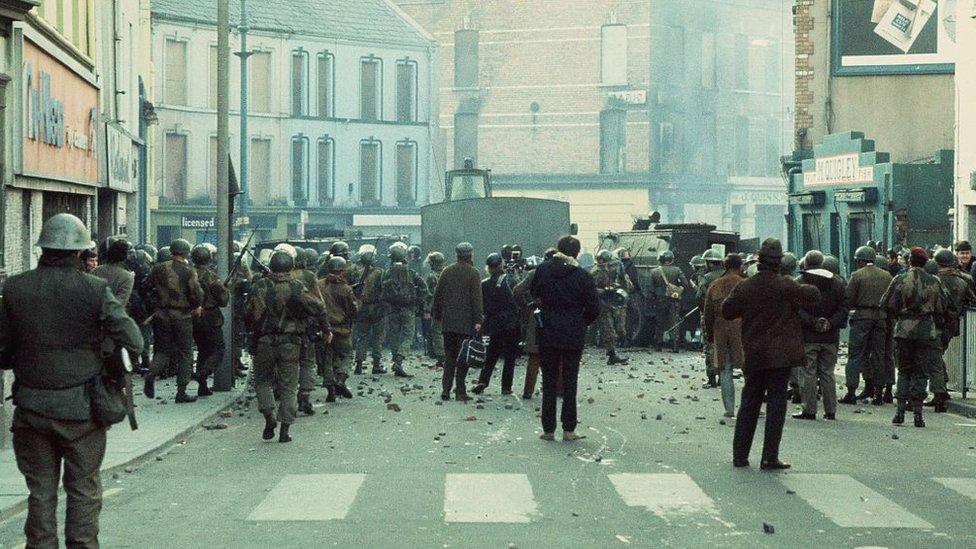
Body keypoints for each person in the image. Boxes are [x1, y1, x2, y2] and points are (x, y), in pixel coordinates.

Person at [0, 214, 143, 548]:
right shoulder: (94, 289)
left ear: (42, 249)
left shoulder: (14, 287)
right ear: (79, 252)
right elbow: (133, 339)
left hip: (31, 407)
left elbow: (3, 350)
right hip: (81, 410)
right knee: (83, 490)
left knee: (40, 493)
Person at [722, 238, 820, 469]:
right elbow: (813, 295)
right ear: (779, 263)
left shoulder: (745, 285)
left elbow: (727, 311)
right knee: (776, 405)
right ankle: (769, 457)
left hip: (754, 353)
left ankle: (740, 456)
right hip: (780, 356)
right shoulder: (786, 285)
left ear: (758, 260)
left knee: (749, 403)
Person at [246, 250, 328, 442]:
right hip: (291, 342)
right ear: (291, 267)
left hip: (264, 340)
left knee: (262, 382)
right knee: (289, 387)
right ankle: (285, 431)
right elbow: (318, 307)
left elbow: (248, 313)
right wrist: (326, 330)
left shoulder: (259, 285)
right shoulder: (297, 287)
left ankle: (269, 416)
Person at [531, 236, 600, 441]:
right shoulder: (582, 276)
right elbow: (595, 308)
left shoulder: (543, 270)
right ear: (577, 253)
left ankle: (548, 429)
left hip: (548, 331)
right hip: (573, 334)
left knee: (549, 381)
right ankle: (569, 430)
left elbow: (534, 293)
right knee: (570, 381)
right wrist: (580, 322)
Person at [881, 247, 948, 428]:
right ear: (926, 262)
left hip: (904, 330)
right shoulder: (934, 281)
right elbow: (942, 306)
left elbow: (887, 303)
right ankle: (918, 415)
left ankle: (900, 412)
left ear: (910, 260)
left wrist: (901, 315)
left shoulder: (900, 279)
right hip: (926, 330)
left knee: (904, 370)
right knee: (921, 373)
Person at [146, 238, 204, 403]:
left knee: (163, 351)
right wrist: (197, 306)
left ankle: (151, 373)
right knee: (185, 352)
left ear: (171, 251)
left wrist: (155, 305)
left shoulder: (157, 268)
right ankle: (181, 391)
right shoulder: (189, 270)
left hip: (161, 315)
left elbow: (146, 287)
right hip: (182, 316)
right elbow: (196, 293)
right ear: (186, 253)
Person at [793, 251, 847, 421]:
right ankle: (831, 410)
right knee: (827, 373)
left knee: (808, 373)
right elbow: (844, 308)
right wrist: (830, 322)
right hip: (830, 337)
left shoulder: (800, 283)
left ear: (806, 263)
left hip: (807, 336)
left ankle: (809, 409)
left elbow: (795, 309)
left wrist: (812, 321)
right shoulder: (837, 283)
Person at [431, 242, 483, 401]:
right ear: (471, 255)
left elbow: (437, 296)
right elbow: (476, 299)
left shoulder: (446, 271)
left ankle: (445, 390)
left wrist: (438, 315)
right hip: (466, 324)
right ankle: (460, 391)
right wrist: (478, 320)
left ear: (457, 255)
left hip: (448, 323)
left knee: (449, 357)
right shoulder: (473, 273)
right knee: (463, 359)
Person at [842, 246, 894, 405]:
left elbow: (848, 299)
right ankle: (879, 393)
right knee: (879, 355)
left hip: (862, 318)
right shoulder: (887, 276)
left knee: (855, 355)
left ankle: (851, 392)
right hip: (881, 318)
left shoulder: (857, 276)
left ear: (859, 261)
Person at [928, 248, 976, 412]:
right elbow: (972, 299)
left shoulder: (934, 279)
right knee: (937, 355)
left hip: (934, 322)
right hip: (952, 324)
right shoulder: (964, 280)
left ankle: (939, 393)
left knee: (933, 358)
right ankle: (942, 388)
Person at [702, 254, 745, 418]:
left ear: (725, 266)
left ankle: (729, 409)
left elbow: (707, 314)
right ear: (740, 266)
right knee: (748, 369)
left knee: (725, 370)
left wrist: (711, 336)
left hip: (721, 329)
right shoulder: (744, 283)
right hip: (742, 329)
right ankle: (753, 407)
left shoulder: (714, 285)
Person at [473, 253, 521, 395]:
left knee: (491, 355)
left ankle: (483, 380)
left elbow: (482, 306)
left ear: (488, 267)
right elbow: (518, 296)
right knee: (510, 357)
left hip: (494, 323)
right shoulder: (511, 280)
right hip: (512, 323)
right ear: (501, 264)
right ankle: (506, 387)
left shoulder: (484, 284)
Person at [380, 242, 427, 378]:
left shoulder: (386, 273)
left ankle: (396, 361)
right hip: (408, 309)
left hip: (392, 310)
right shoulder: (411, 273)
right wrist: (418, 302)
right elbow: (424, 288)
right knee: (408, 336)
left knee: (394, 335)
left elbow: (381, 291)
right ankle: (399, 361)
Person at [190, 245, 229, 397]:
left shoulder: (189, 274)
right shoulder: (211, 276)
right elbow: (223, 300)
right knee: (218, 349)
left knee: (202, 350)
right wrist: (226, 290)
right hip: (210, 316)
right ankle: (203, 372)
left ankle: (203, 386)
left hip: (193, 316)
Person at [318, 256, 357, 402]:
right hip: (341, 329)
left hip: (324, 328)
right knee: (347, 355)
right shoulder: (346, 289)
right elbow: (353, 311)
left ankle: (330, 390)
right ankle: (340, 378)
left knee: (327, 359)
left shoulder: (319, 285)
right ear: (342, 271)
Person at [350, 244, 387, 375]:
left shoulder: (353, 271)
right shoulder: (380, 272)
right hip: (377, 309)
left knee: (361, 337)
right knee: (377, 338)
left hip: (361, 309)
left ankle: (358, 365)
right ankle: (376, 365)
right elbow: (384, 290)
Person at [591, 250, 629, 365]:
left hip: (616, 300)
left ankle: (621, 341)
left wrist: (623, 292)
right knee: (608, 329)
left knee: (620, 328)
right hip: (603, 302)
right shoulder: (594, 272)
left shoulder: (616, 266)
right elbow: (590, 289)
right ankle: (612, 354)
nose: (601, 263)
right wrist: (603, 291)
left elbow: (623, 280)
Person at [649, 250, 687, 352]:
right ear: (671, 260)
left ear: (660, 260)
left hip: (660, 300)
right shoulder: (677, 270)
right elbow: (685, 283)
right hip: (674, 300)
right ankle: (675, 346)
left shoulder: (654, 271)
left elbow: (651, 289)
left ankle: (658, 345)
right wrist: (678, 289)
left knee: (659, 322)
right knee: (674, 322)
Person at [696, 249, 724, 387]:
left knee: (710, 346)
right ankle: (723, 378)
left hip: (711, 317)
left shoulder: (707, 278)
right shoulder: (728, 276)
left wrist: (704, 312)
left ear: (710, 263)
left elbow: (699, 298)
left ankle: (711, 378)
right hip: (728, 318)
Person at [92, 237, 135, 307]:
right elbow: (120, 303)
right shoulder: (127, 277)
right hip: (113, 315)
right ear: (125, 256)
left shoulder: (95, 271)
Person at [424, 252, 447, 369]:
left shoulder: (432, 276)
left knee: (437, 332)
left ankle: (441, 358)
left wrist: (427, 310)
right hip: (449, 307)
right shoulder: (448, 273)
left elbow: (429, 295)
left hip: (437, 307)